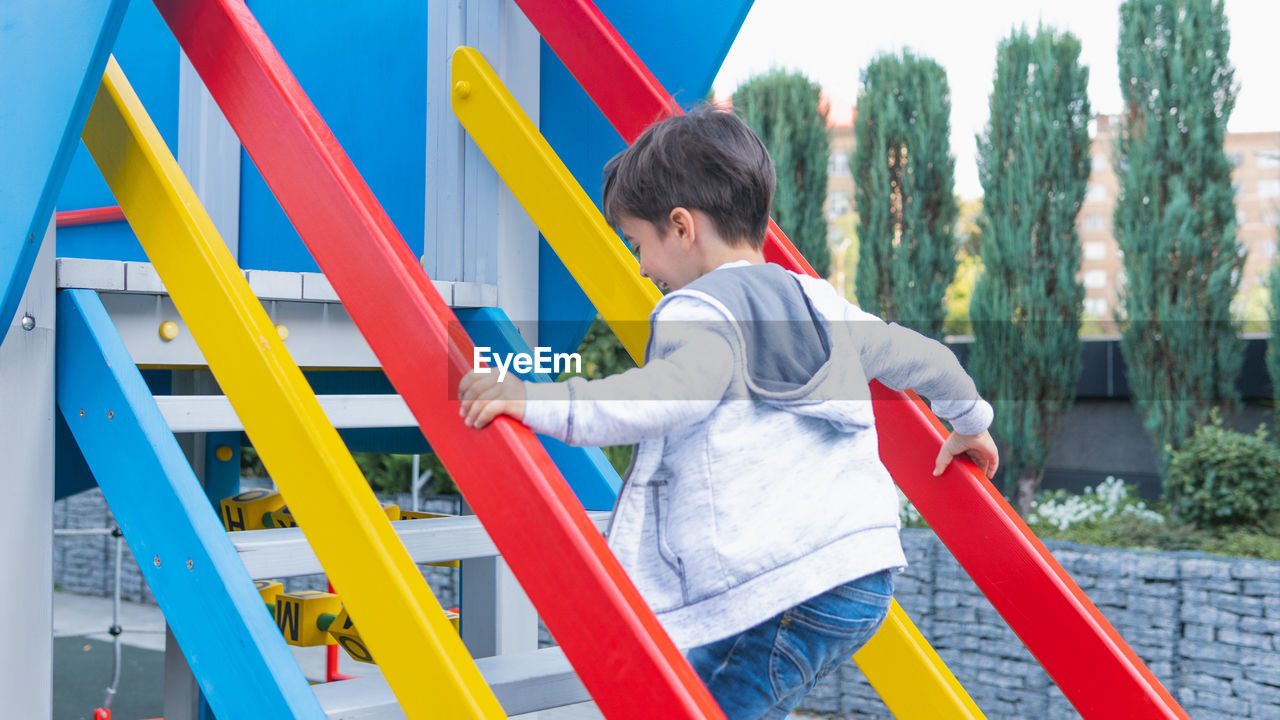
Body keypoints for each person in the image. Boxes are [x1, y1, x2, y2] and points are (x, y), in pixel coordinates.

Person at [457, 105, 999, 720]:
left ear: (682, 228)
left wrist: (538, 399)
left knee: (715, 705)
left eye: (639, 244)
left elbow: (661, 396)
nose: (641, 267)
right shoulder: (816, 300)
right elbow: (919, 356)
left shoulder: (699, 312)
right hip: (860, 573)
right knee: (700, 688)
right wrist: (970, 422)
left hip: (777, 585)